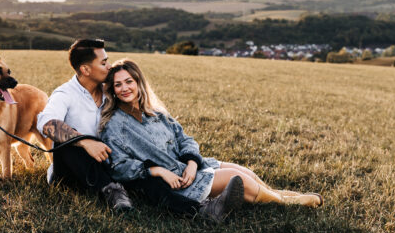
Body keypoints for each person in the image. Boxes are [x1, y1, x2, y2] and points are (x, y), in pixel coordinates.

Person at [37, 39, 242, 219]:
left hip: (111, 165)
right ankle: (112, 191)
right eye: (103, 62)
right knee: (68, 142)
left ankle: (202, 211)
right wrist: (85, 141)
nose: (109, 66)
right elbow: (46, 123)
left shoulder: (111, 90)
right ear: (85, 69)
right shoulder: (65, 94)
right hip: (75, 172)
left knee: (147, 176)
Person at [99, 59, 324, 209]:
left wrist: (193, 163)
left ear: (138, 83)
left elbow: (184, 138)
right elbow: (118, 167)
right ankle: (285, 203)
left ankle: (280, 194)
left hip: (190, 169)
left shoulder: (154, 113)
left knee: (243, 170)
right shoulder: (115, 126)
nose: (124, 88)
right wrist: (156, 171)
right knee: (240, 181)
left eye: (129, 81)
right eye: (118, 85)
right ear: (113, 90)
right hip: (177, 182)